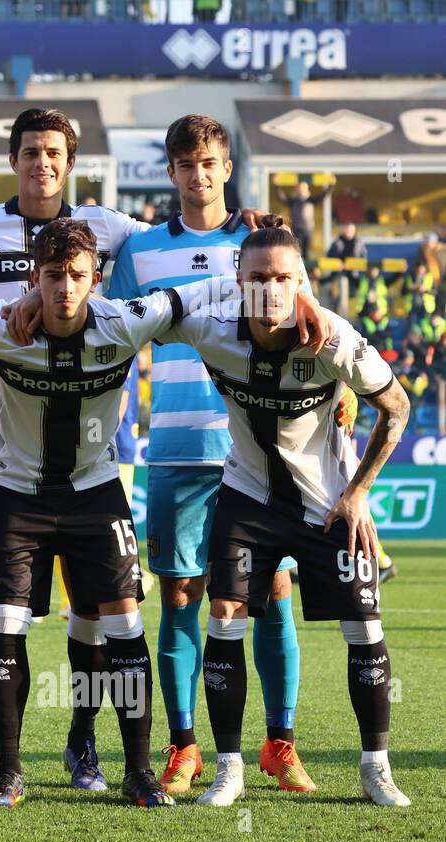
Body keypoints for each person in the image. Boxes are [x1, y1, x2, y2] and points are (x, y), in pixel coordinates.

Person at [0, 217, 332, 808]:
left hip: (95, 494)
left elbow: (220, 283)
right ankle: (8, 770)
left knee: (125, 621)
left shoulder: (127, 322)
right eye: (51, 277)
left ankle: (140, 771)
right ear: (33, 279)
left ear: (96, 279)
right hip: (15, 496)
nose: (65, 289)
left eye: (76, 275)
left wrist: (299, 292)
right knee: (3, 623)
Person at [106, 115, 342, 797]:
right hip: (177, 447)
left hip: (263, 448)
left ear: (226, 166)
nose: (197, 174)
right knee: (181, 593)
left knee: (271, 594)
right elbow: (116, 343)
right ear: (171, 171)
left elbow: (311, 325)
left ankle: (279, 743)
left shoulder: (261, 240)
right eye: (184, 163)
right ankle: (184, 747)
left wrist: (342, 393)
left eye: (208, 161)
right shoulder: (141, 251)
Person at [156, 223, 412, 807]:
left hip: (327, 506)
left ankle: (376, 769)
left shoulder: (332, 340)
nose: (271, 290)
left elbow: (395, 407)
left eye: (284, 278)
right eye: (257, 279)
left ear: (304, 284)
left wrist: (359, 492)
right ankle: (229, 770)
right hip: (247, 497)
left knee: (365, 628)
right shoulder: (209, 329)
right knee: (223, 613)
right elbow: (140, 318)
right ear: (236, 283)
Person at [275, 178, 332, 257]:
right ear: (296, 190)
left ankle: (305, 269)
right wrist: (277, 185)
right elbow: (282, 198)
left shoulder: (310, 200)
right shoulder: (293, 201)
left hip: (308, 229)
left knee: (306, 252)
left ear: (306, 190)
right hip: (296, 229)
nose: (301, 190)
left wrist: (331, 186)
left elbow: (322, 196)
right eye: (300, 188)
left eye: (303, 188)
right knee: (296, 251)